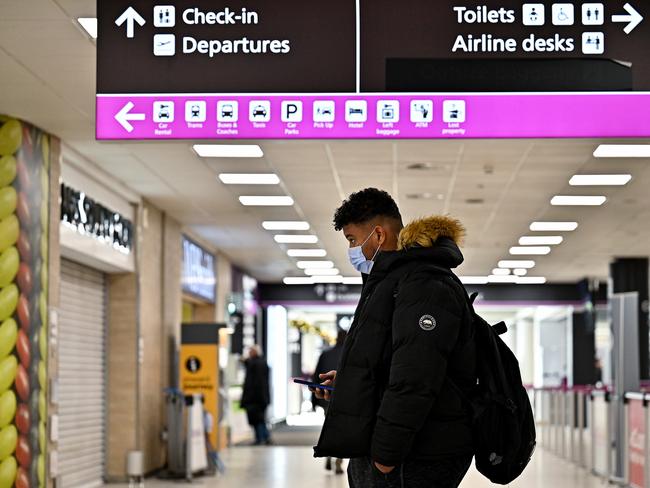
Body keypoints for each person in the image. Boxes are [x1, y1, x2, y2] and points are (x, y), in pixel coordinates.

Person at [313, 188, 477, 488]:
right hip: (396, 448)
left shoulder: (424, 285)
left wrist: (386, 456)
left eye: (352, 240)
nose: (351, 249)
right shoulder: (393, 281)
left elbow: (416, 376)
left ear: (377, 235)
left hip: (416, 454)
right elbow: (393, 362)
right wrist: (351, 384)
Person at [312, 330, 348, 475]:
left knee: (329, 426)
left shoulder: (325, 354)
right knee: (342, 430)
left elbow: (316, 377)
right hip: (345, 399)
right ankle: (338, 461)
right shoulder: (349, 354)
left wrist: (314, 400)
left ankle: (327, 453)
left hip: (326, 397)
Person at [240, 345, 272, 446]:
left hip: (255, 398)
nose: (249, 353)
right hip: (259, 398)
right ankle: (264, 437)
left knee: (257, 420)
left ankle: (261, 438)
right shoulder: (260, 363)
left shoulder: (256, 364)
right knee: (259, 419)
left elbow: (256, 382)